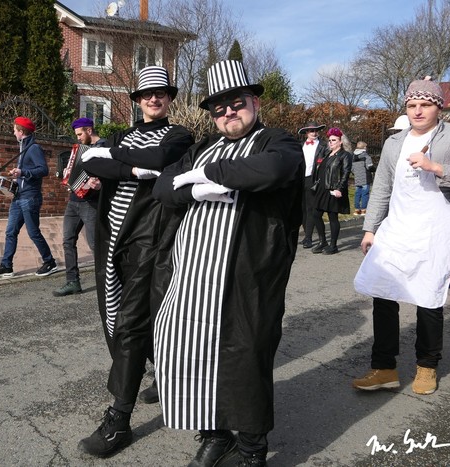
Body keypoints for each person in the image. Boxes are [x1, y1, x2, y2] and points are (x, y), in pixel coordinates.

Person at [152, 60, 303, 467]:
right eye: (219, 108)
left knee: (246, 358)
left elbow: (274, 169)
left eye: (237, 103)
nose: (228, 113)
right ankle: (216, 434)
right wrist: (193, 191)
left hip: (248, 275)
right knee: (188, 350)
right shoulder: (202, 147)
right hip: (192, 274)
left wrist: (207, 175)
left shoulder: (276, 140)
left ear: (255, 102)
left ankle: (252, 448)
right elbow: (164, 187)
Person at [77, 65, 194, 457]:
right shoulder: (123, 136)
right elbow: (87, 159)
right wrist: (131, 167)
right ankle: (165, 372)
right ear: (138, 100)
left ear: (169, 98)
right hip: (113, 240)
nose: (154, 98)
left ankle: (119, 419)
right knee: (124, 316)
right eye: (147, 94)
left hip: (151, 241)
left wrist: (112, 159)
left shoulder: (179, 135)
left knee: (130, 321)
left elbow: (160, 157)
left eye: (161, 93)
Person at [353, 77, 450, 395]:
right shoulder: (395, 142)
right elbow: (382, 187)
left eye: (425, 104)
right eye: (411, 105)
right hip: (398, 225)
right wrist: (370, 229)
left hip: (437, 227)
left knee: (428, 297)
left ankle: (427, 366)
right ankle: (384, 368)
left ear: (438, 107)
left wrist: (436, 167)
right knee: (382, 292)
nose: (418, 111)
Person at [0, 116, 58, 278]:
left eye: (14, 130)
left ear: (21, 131)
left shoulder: (33, 148)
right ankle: (6, 266)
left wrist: (22, 172)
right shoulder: (23, 147)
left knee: (33, 232)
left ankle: (50, 262)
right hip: (19, 197)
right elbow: (26, 173)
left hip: (30, 197)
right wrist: (17, 176)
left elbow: (43, 170)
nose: (13, 133)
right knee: (10, 232)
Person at [52, 117, 105, 297]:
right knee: (68, 241)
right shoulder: (79, 149)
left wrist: (99, 184)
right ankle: (72, 282)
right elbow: (74, 171)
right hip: (74, 201)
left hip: (91, 204)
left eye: (80, 134)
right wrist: (67, 174)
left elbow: (110, 175)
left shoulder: (104, 148)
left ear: (89, 130)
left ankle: (108, 283)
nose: (79, 138)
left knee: (95, 245)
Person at [310, 127, 352, 255]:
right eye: (329, 140)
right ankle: (323, 241)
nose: (331, 142)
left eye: (334, 140)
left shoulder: (345, 155)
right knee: (315, 214)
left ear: (341, 141)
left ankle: (333, 245)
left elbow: (345, 173)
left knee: (332, 216)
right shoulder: (328, 154)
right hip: (322, 189)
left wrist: (339, 188)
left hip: (333, 189)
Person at [298, 121, 327, 248]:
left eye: (316, 130)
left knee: (310, 208)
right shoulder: (300, 146)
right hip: (300, 179)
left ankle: (308, 237)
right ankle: (306, 234)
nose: (314, 133)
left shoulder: (323, 146)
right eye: (311, 131)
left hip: (313, 179)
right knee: (302, 208)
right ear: (306, 133)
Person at [351, 141, 374, 215]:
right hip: (365, 178)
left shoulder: (353, 156)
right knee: (365, 194)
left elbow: (352, 169)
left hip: (357, 178)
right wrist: (374, 169)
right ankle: (364, 209)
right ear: (364, 147)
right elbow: (369, 167)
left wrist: (356, 173)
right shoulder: (366, 156)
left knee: (357, 194)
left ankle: (357, 210)